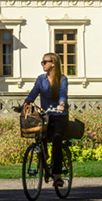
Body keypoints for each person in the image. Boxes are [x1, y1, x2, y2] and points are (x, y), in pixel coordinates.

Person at [23, 52, 69, 186]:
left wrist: (61, 105)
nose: (42, 64)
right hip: (46, 115)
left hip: (59, 116)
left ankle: (58, 175)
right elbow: (33, 93)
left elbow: (63, 94)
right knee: (39, 137)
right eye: (42, 62)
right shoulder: (40, 79)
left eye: (45, 62)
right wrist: (25, 103)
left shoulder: (62, 79)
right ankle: (45, 162)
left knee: (57, 139)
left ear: (53, 63)